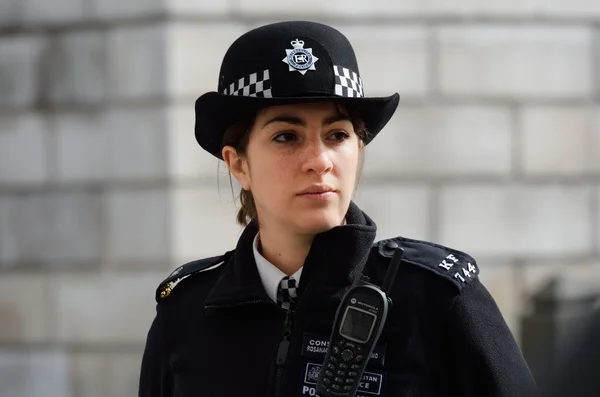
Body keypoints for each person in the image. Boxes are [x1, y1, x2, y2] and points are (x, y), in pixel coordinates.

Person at [138, 20, 537, 397]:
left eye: (337, 135)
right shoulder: (185, 314)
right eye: (286, 136)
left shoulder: (435, 298)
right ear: (239, 164)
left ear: (358, 150)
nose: (320, 160)